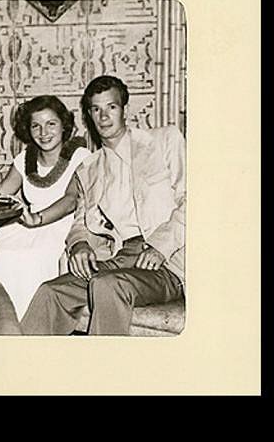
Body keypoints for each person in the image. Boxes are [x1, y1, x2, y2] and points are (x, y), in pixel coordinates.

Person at [20, 75, 185, 335]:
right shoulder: (89, 168)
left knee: (107, 285)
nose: (104, 116)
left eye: (111, 107)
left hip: (167, 263)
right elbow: (80, 222)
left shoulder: (164, 141)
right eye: (96, 109)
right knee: (51, 292)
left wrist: (159, 247)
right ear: (89, 115)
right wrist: (80, 244)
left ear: (125, 110)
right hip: (120, 259)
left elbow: (194, 200)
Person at [0, 96, 91, 319]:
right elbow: (2, 197)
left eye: (51, 124)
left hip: (62, 226)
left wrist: (38, 220)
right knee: (0, 251)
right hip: (26, 224)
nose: (43, 132)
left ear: (64, 125)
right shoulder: (24, 159)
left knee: (31, 258)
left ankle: (31, 325)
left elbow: (71, 200)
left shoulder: (81, 156)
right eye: (36, 126)